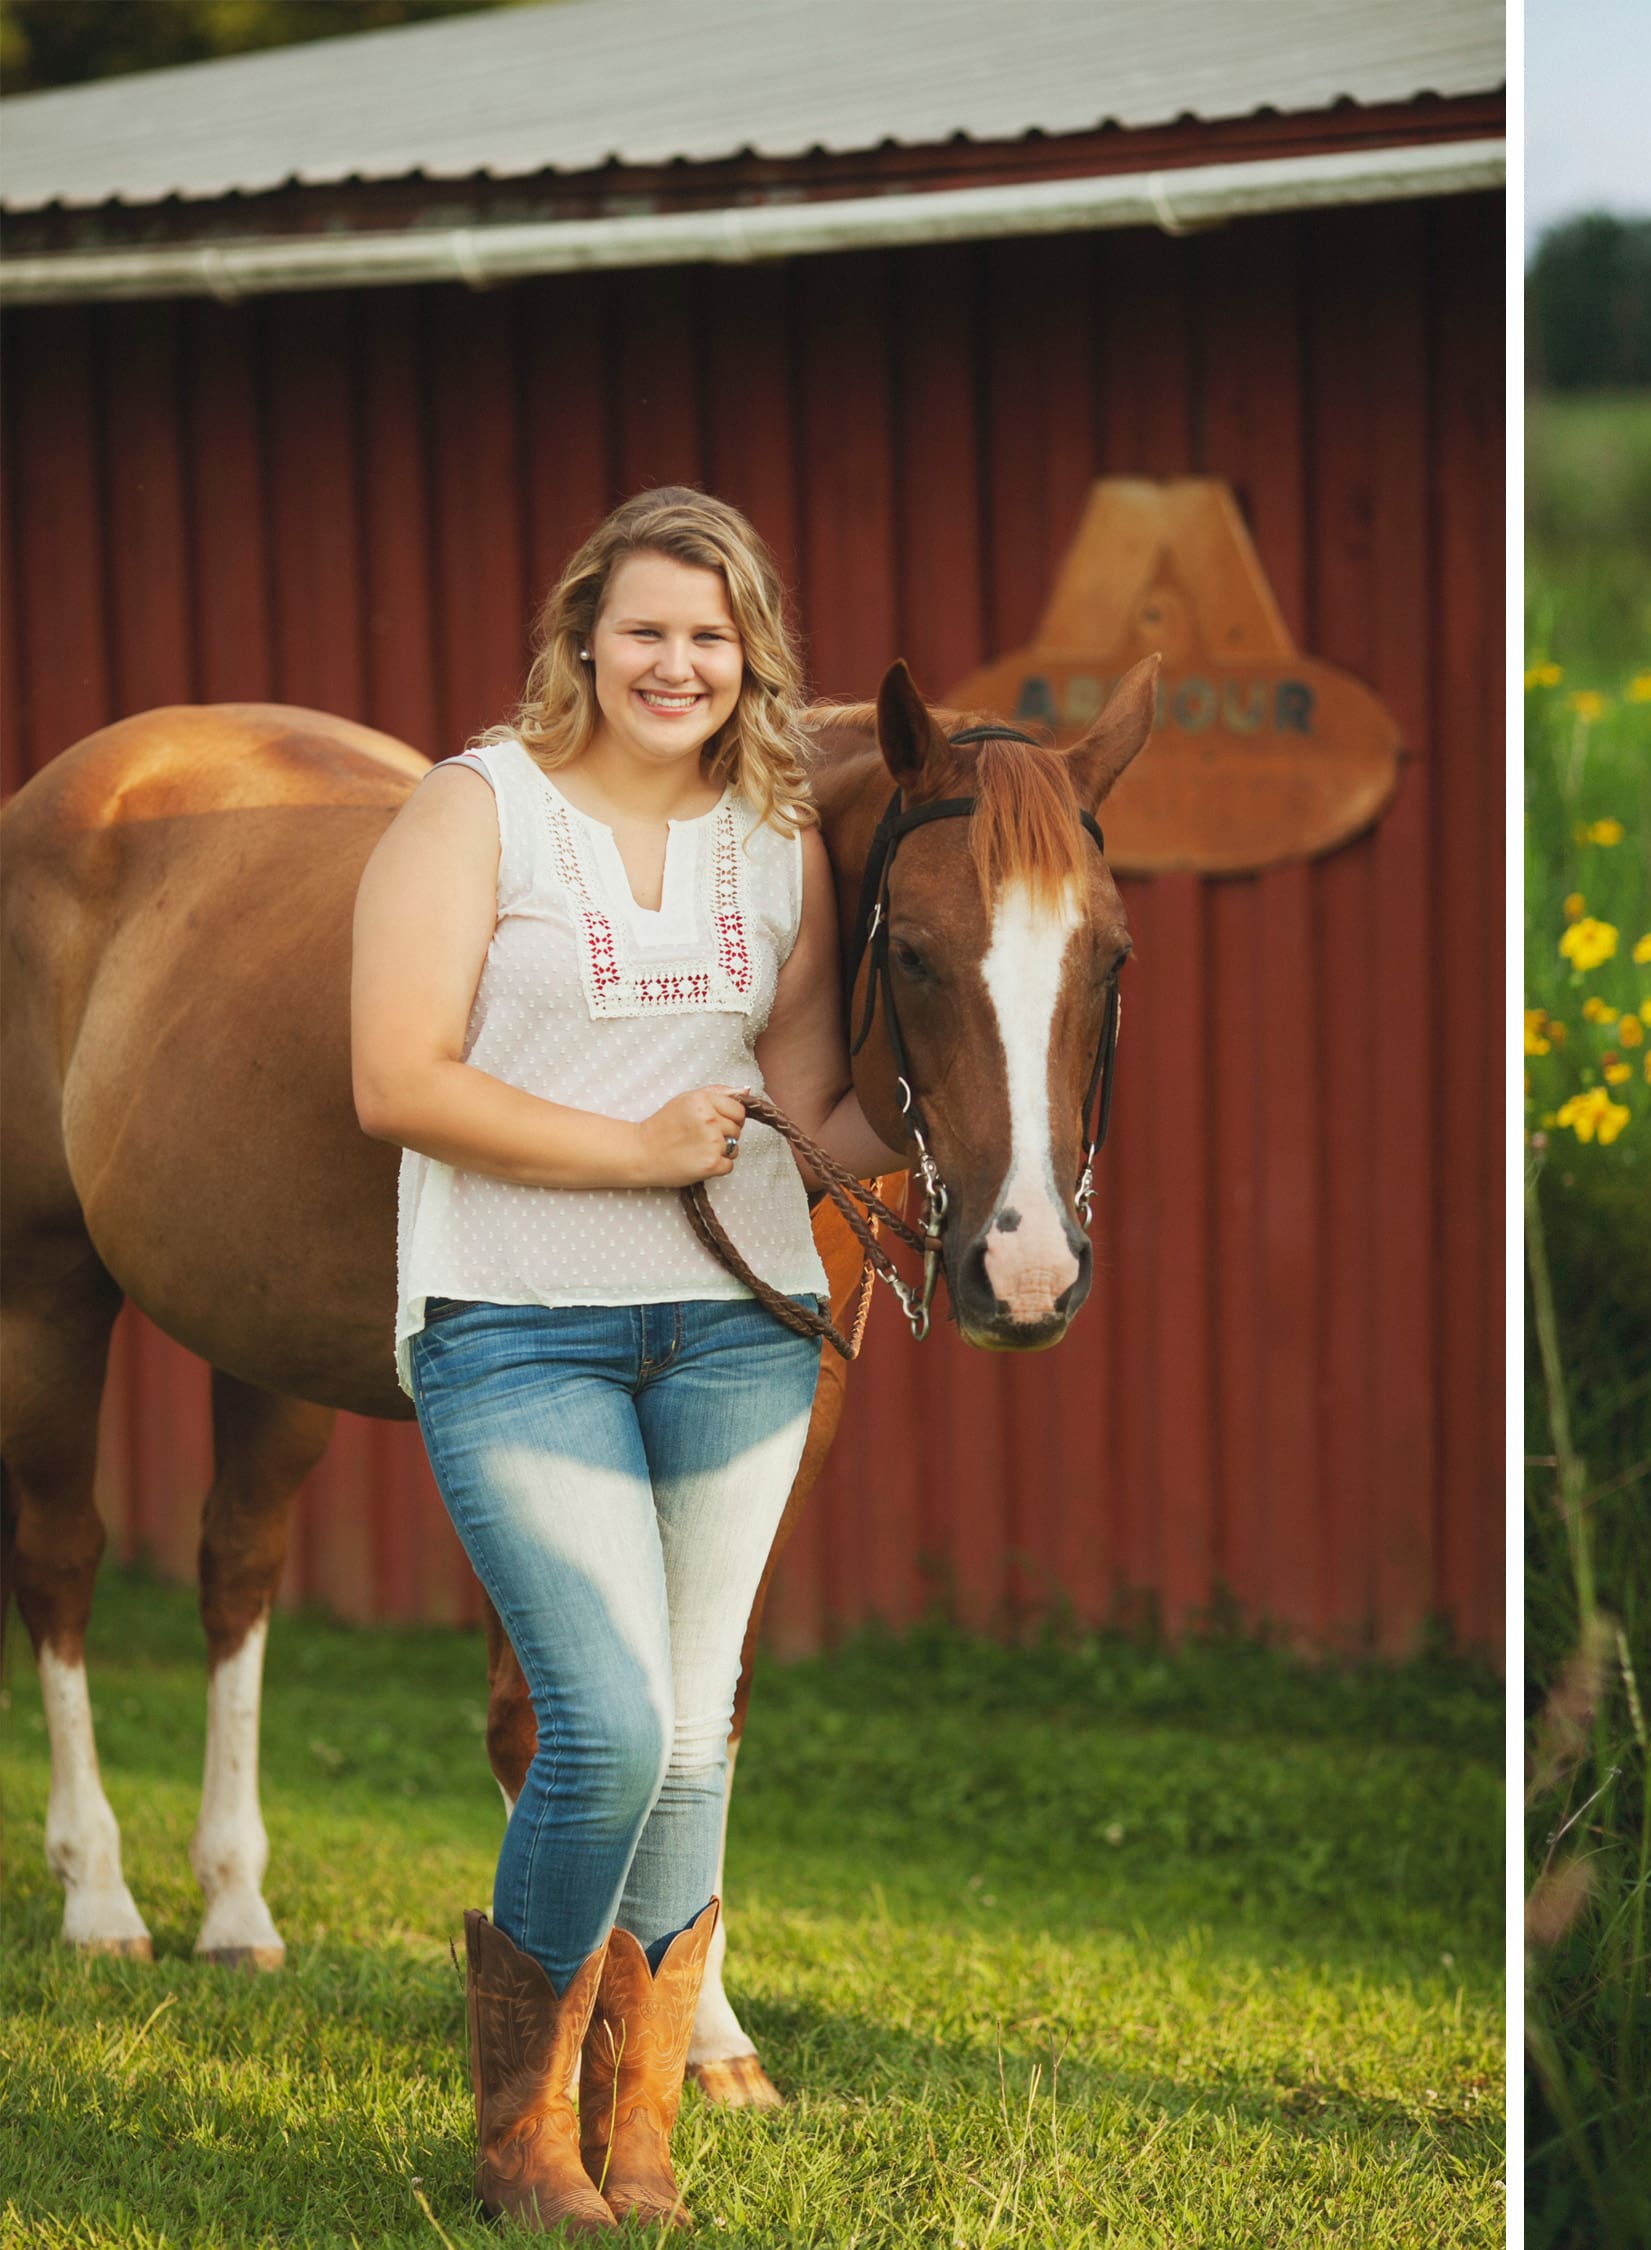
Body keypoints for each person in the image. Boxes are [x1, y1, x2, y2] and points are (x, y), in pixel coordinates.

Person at [352, 487, 902, 2230]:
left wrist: (974, 1105)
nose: (679, 663)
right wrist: (642, 1150)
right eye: (649, 628)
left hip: (735, 1325)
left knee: (696, 1729)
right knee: (603, 1718)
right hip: (511, 1317)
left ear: (754, 664)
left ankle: (640, 2121)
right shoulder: (476, 809)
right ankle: (524, 2132)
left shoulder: (774, 835)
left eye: (713, 637)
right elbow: (399, 1081)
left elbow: (808, 1102)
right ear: (583, 633)